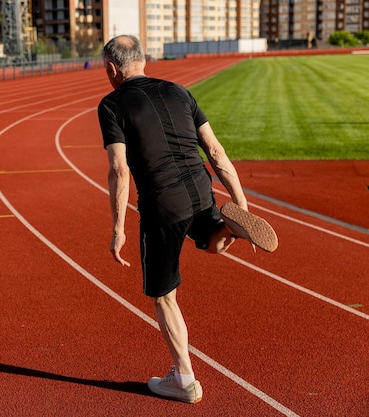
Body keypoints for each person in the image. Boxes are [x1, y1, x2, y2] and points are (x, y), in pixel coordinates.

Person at [97, 35, 278, 404]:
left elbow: (119, 169)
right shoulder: (180, 91)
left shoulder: (112, 104)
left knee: (164, 296)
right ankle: (229, 226)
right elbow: (214, 149)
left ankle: (183, 379)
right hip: (200, 189)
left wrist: (117, 229)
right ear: (143, 60)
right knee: (212, 243)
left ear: (112, 69)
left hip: (162, 205)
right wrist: (240, 204)